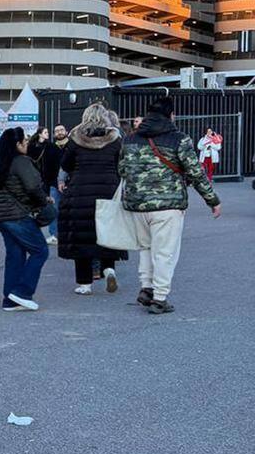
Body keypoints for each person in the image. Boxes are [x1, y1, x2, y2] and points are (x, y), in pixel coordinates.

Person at [119, 96, 220, 314]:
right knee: (165, 252)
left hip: (137, 205)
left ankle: (146, 289)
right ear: (171, 115)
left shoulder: (130, 139)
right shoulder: (179, 139)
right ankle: (160, 297)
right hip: (168, 205)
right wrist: (212, 200)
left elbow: (122, 170)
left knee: (145, 248)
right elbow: (195, 172)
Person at [57, 104, 127, 295]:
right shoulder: (115, 139)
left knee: (82, 237)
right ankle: (109, 269)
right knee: (107, 233)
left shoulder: (76, 138)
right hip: (108, 190)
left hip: (80, 192)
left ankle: (85, 284)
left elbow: (66, 164)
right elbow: (121, 165)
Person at [0, 127, 52, 311]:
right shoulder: (21, 161)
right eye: (24, 142)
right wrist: (44, 200)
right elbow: (33, 187)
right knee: (40, 251)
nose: (27, 144)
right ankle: (22, 292)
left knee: (15, 255)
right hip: (18, 216)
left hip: (2, 216)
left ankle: (10, 299)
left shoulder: (1, 162)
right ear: (17, 145)